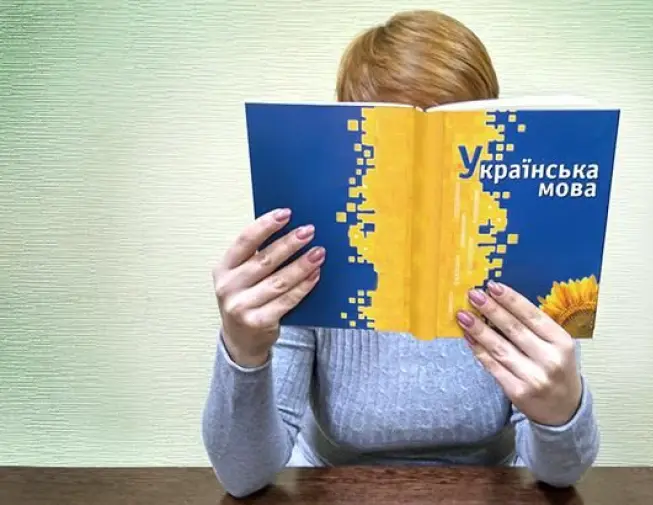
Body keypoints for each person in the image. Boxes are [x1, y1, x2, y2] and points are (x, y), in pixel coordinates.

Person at [202, 10, 599, 498]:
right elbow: (243, 476)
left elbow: (559, 475)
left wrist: (561, 412)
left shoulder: (521, 250)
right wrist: (243, 351)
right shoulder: (313, 254)